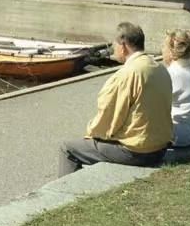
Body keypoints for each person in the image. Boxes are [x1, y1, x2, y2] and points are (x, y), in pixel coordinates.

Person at [59, 23, 173, 176]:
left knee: (67, 148)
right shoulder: (159, 68)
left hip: (137, 151)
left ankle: (68, 197)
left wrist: (90, 134)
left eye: (114, 45)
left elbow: (109, 117)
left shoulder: (127, 74)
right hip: (160, 148)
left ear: (123, 46)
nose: (114, 50)